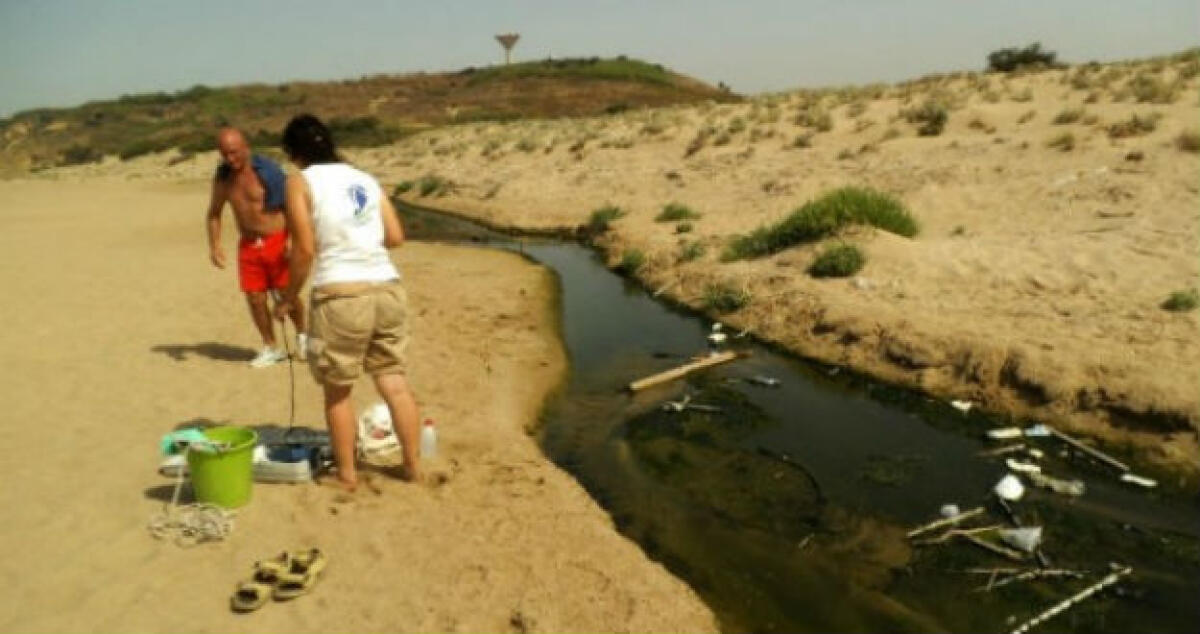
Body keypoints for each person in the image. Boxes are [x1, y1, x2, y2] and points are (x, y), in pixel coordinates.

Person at [273, 114, 422, 489]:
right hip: (387, 287)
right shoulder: (365, 178)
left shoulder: (299, 182)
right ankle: (412, 467)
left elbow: (304, 249)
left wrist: (289, 298)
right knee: (394, 383)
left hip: (340, 295)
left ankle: (347, 475)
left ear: (293, 153)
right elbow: (396, 237)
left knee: (338, 391)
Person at [205, 127, 306, 368]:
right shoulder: (223, 179)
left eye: (234, 152)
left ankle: (303, 336)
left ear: (245, 146)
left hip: (277, 238)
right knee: (254, 298)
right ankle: (271, 346)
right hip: (249, 245)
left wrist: (293, 238)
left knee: (285, 293)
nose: (231, 159)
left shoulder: (269, 172)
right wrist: (215, 245)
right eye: (225, 155)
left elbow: (291, 207)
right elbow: (214, 214)